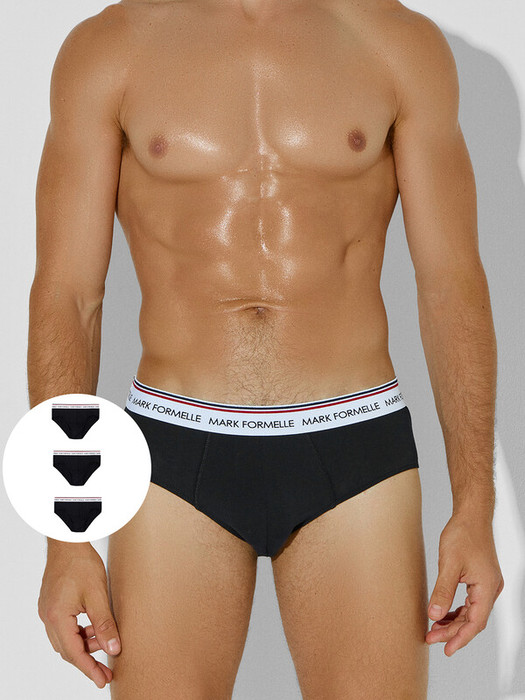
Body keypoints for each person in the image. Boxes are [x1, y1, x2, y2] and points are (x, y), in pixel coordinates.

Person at [29, 1, 504, 697]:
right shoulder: (110, 47)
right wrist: (64, 533)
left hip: (354, 443)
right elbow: (68, 297)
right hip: (172, 449)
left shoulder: (397, 42)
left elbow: (450, 286)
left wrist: (474, 506)